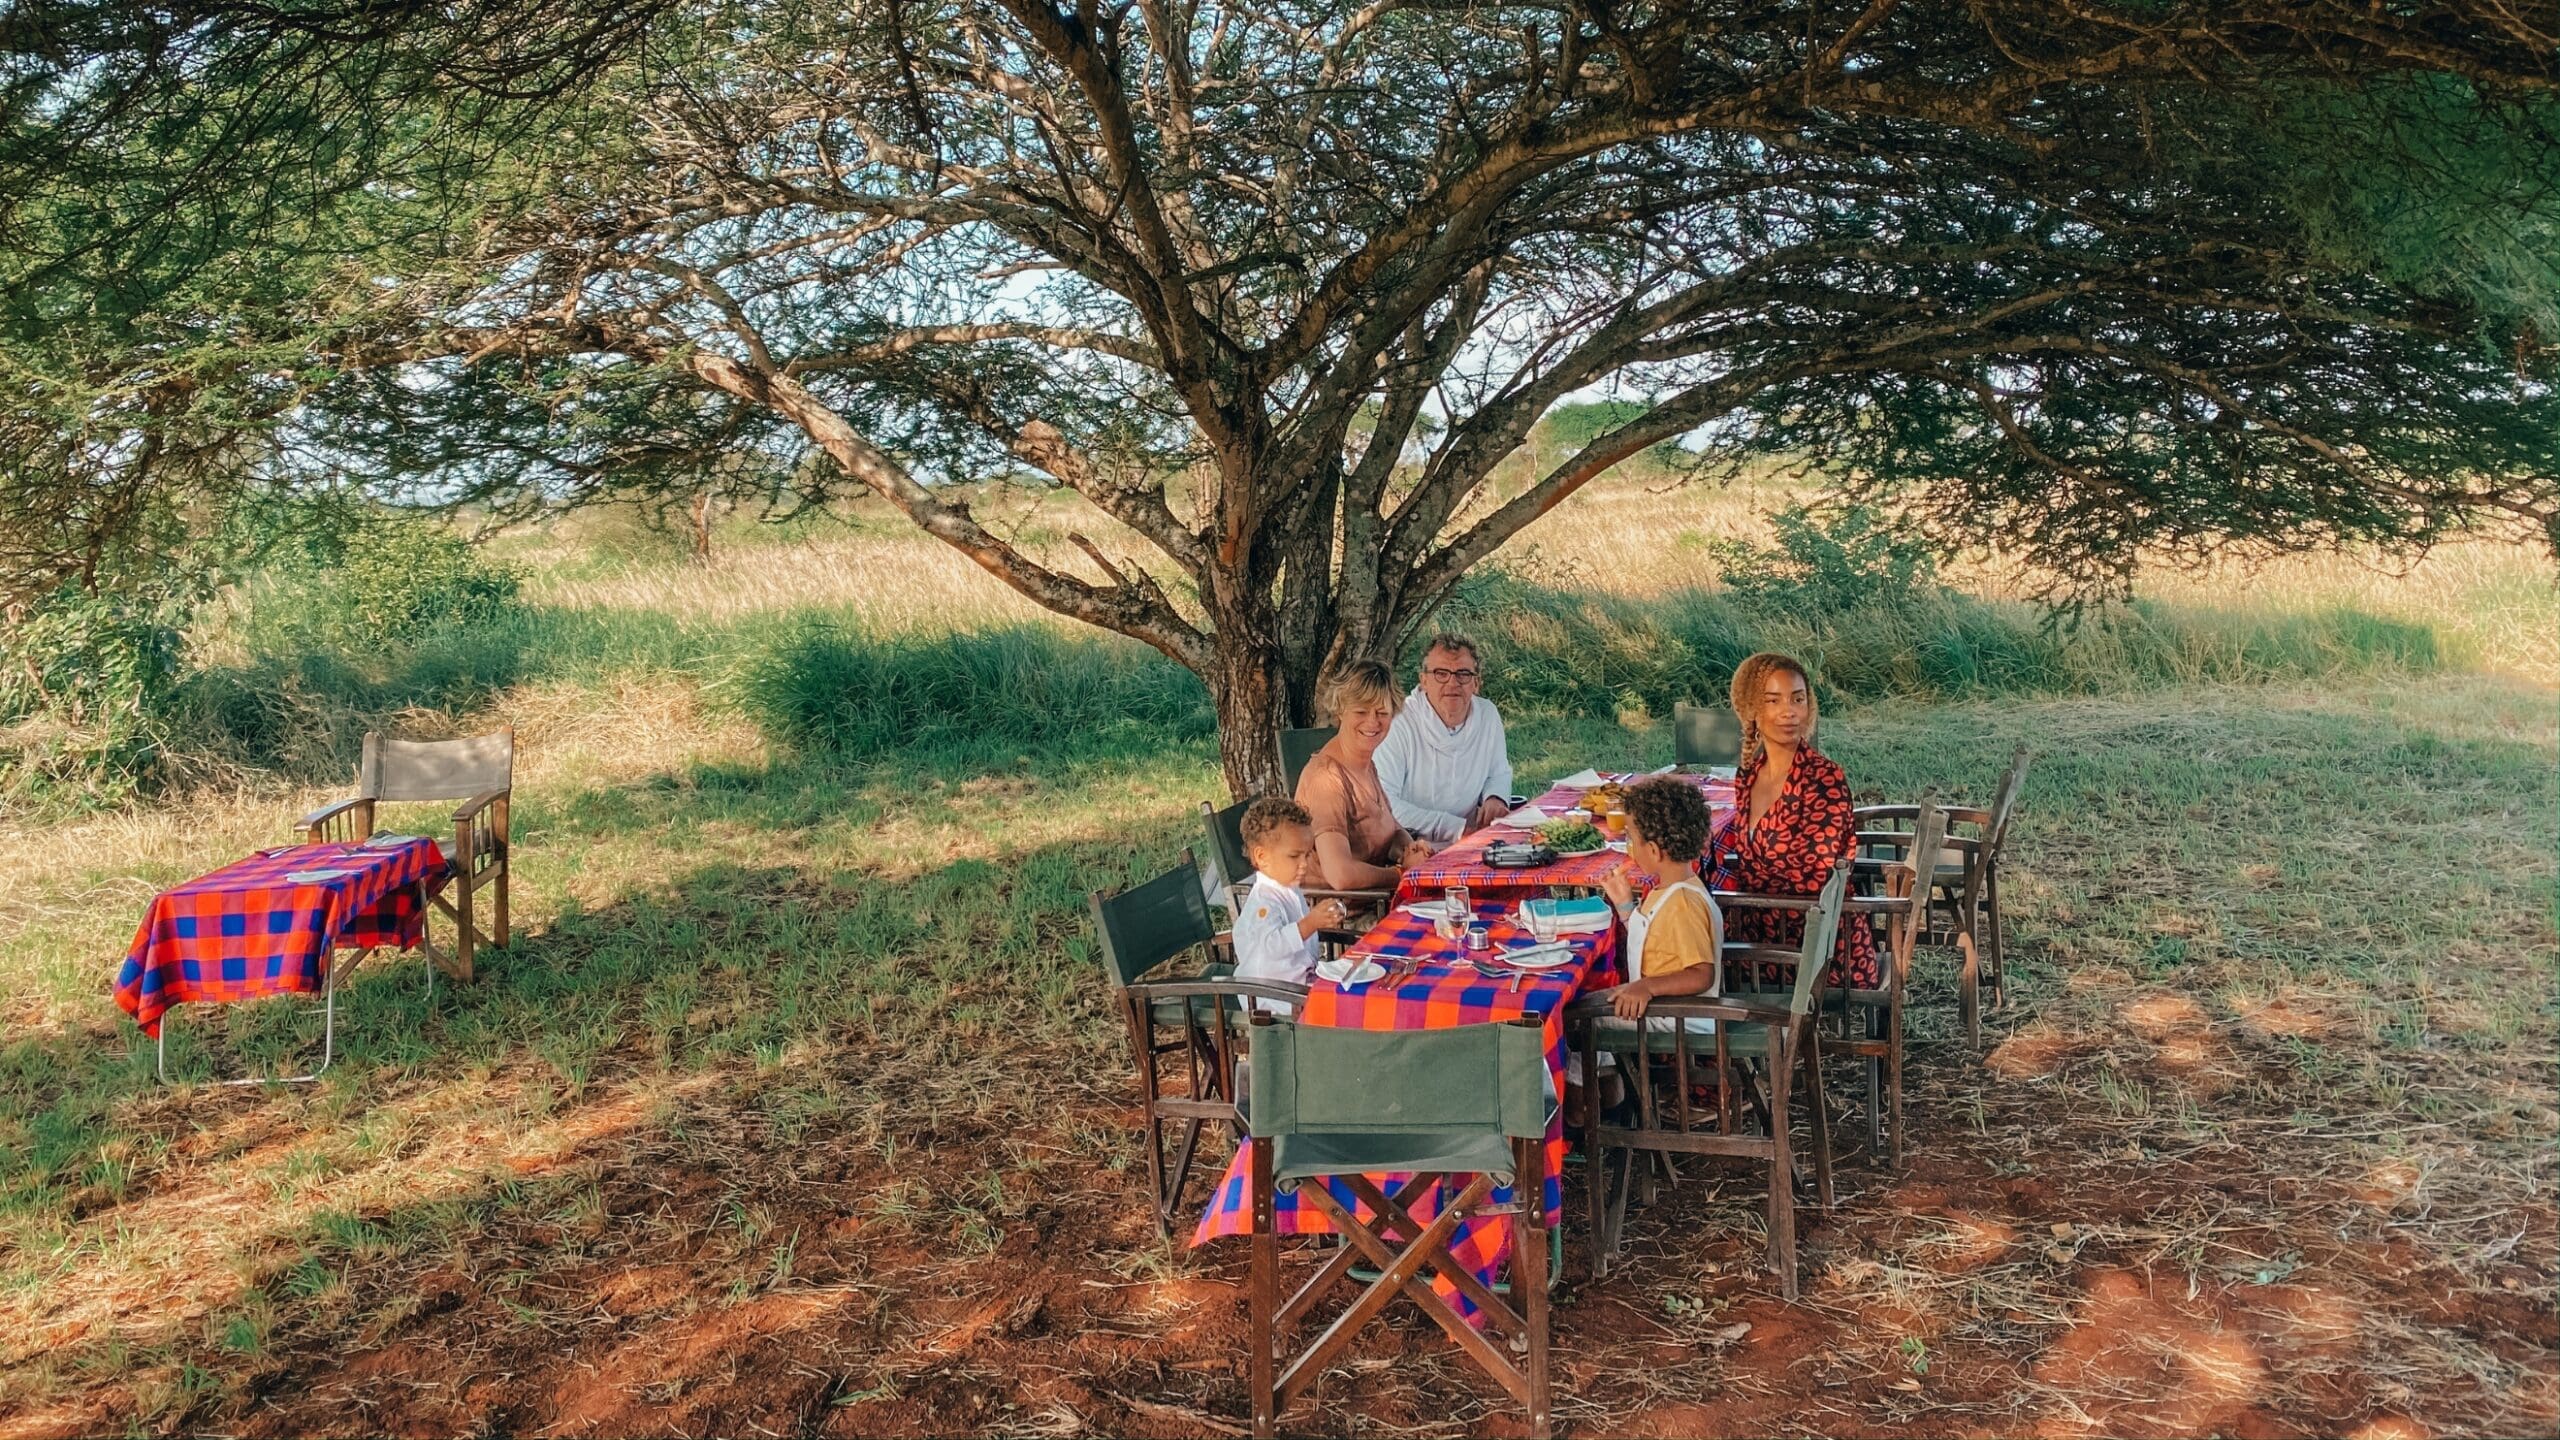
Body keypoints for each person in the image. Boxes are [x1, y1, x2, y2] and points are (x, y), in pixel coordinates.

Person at [1709, 651, 1878, 989]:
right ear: (1753, 711)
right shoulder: (1749, 775)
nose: (1788, 712)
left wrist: (1733, 903)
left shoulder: (1823, 778)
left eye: (1797, 699)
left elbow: (1820, 880)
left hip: (1811, 949)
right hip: (1760, 937)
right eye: (1773, 701)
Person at [1295, 659, 1436, 892]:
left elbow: (1390, 831)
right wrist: (1402, 874)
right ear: (1341, 711)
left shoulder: (1365, 763)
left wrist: (1411, 850)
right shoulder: (1326, 779)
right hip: (1343, 916)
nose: (1372, 722)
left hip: (1379, 899)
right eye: (1361, 711)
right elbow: (1340, 875)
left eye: (1382, 712)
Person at [1374, 632, 1514, 840]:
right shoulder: (1400, 722)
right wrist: (1456, 828)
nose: (1452, 683)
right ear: (1423, 681)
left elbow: (1498, 772)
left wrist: (1495, 798)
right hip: (1410, 843)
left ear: (1476, 683)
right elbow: (1384, 804)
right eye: (1441, 673)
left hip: (1473, 838)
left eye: (1463, 674)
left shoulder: (1487, 714)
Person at [1229, 796, 1353, 1012]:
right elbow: (1271, 947)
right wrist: (1311, 923)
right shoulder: (1264, 903)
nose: (1304, 864)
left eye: (1307, 854)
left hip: (1297, 983)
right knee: (1345, 1007)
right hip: (1272, 998)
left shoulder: (1288, 889)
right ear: (1262, 857)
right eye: (1295, 856)